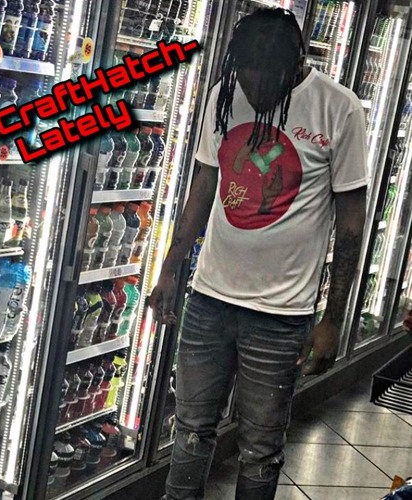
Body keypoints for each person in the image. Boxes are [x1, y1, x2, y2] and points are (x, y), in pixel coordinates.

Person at [149, 8, 368, 500]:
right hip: (209, 299)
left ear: (294, 66)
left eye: (263, 84)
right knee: (189, 432)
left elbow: (351, 223)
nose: (252, 93)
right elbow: (204, 185)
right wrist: (169, 268)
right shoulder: (225, 95)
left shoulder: (339, 109)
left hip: (281, 315)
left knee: (260, 450)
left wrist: (333, 319)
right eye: (244, 80)